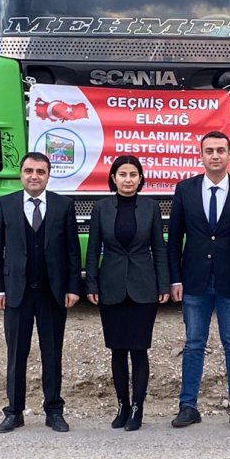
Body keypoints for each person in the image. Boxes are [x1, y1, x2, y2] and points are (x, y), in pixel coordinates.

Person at [167, 130, 230, 431]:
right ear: (201, 155)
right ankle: (188, 406)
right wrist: (175, 279)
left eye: (221, 150)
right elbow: (175, 239)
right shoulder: (185, 189)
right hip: (194, 282)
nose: (215, 156)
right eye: (209, 150)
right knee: (194, 343)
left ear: (229, 154)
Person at [0, 151, 81, 434]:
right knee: (16, 354)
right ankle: (14, 412)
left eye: (40, 171)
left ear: (48, 175)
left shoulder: (63, 206)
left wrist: (72, 287)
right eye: (29, 170)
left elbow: (72, 252)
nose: (34, 176)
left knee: (52, 354)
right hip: (16, 293)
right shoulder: (5, 204)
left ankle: (54, 411)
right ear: (21, 173)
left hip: (52, 293)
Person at [85, 155, 170, 431]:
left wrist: (164, 285)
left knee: (139, 350)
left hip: (144, 288)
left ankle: (137, 408)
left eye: (133, 174)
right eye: (123, 174)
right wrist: (92, 283)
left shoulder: (150, 208)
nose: (128, 179)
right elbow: (93, 248)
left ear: (140, 178)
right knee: (117, 351)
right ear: (113, 178)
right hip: (110, 286)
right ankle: (121, 405)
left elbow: (159, 247)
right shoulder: (101, 208)